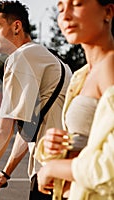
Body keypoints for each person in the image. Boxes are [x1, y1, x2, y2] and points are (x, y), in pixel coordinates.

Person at [0, 1, 72, 199]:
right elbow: (30, 127)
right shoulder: (50, 58)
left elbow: (2, 128)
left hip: (50, 172)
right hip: (68, 171)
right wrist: (5, 173)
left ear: (16, 27)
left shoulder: (21, 57)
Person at [35, 0, 114, 199]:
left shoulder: (110, 66)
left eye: (77, 4)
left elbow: (111, 167)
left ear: (108, 11)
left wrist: (53, 168)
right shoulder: (81, 75)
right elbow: (87, 142)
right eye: (61, 8)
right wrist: (54, 146)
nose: (65, 15)